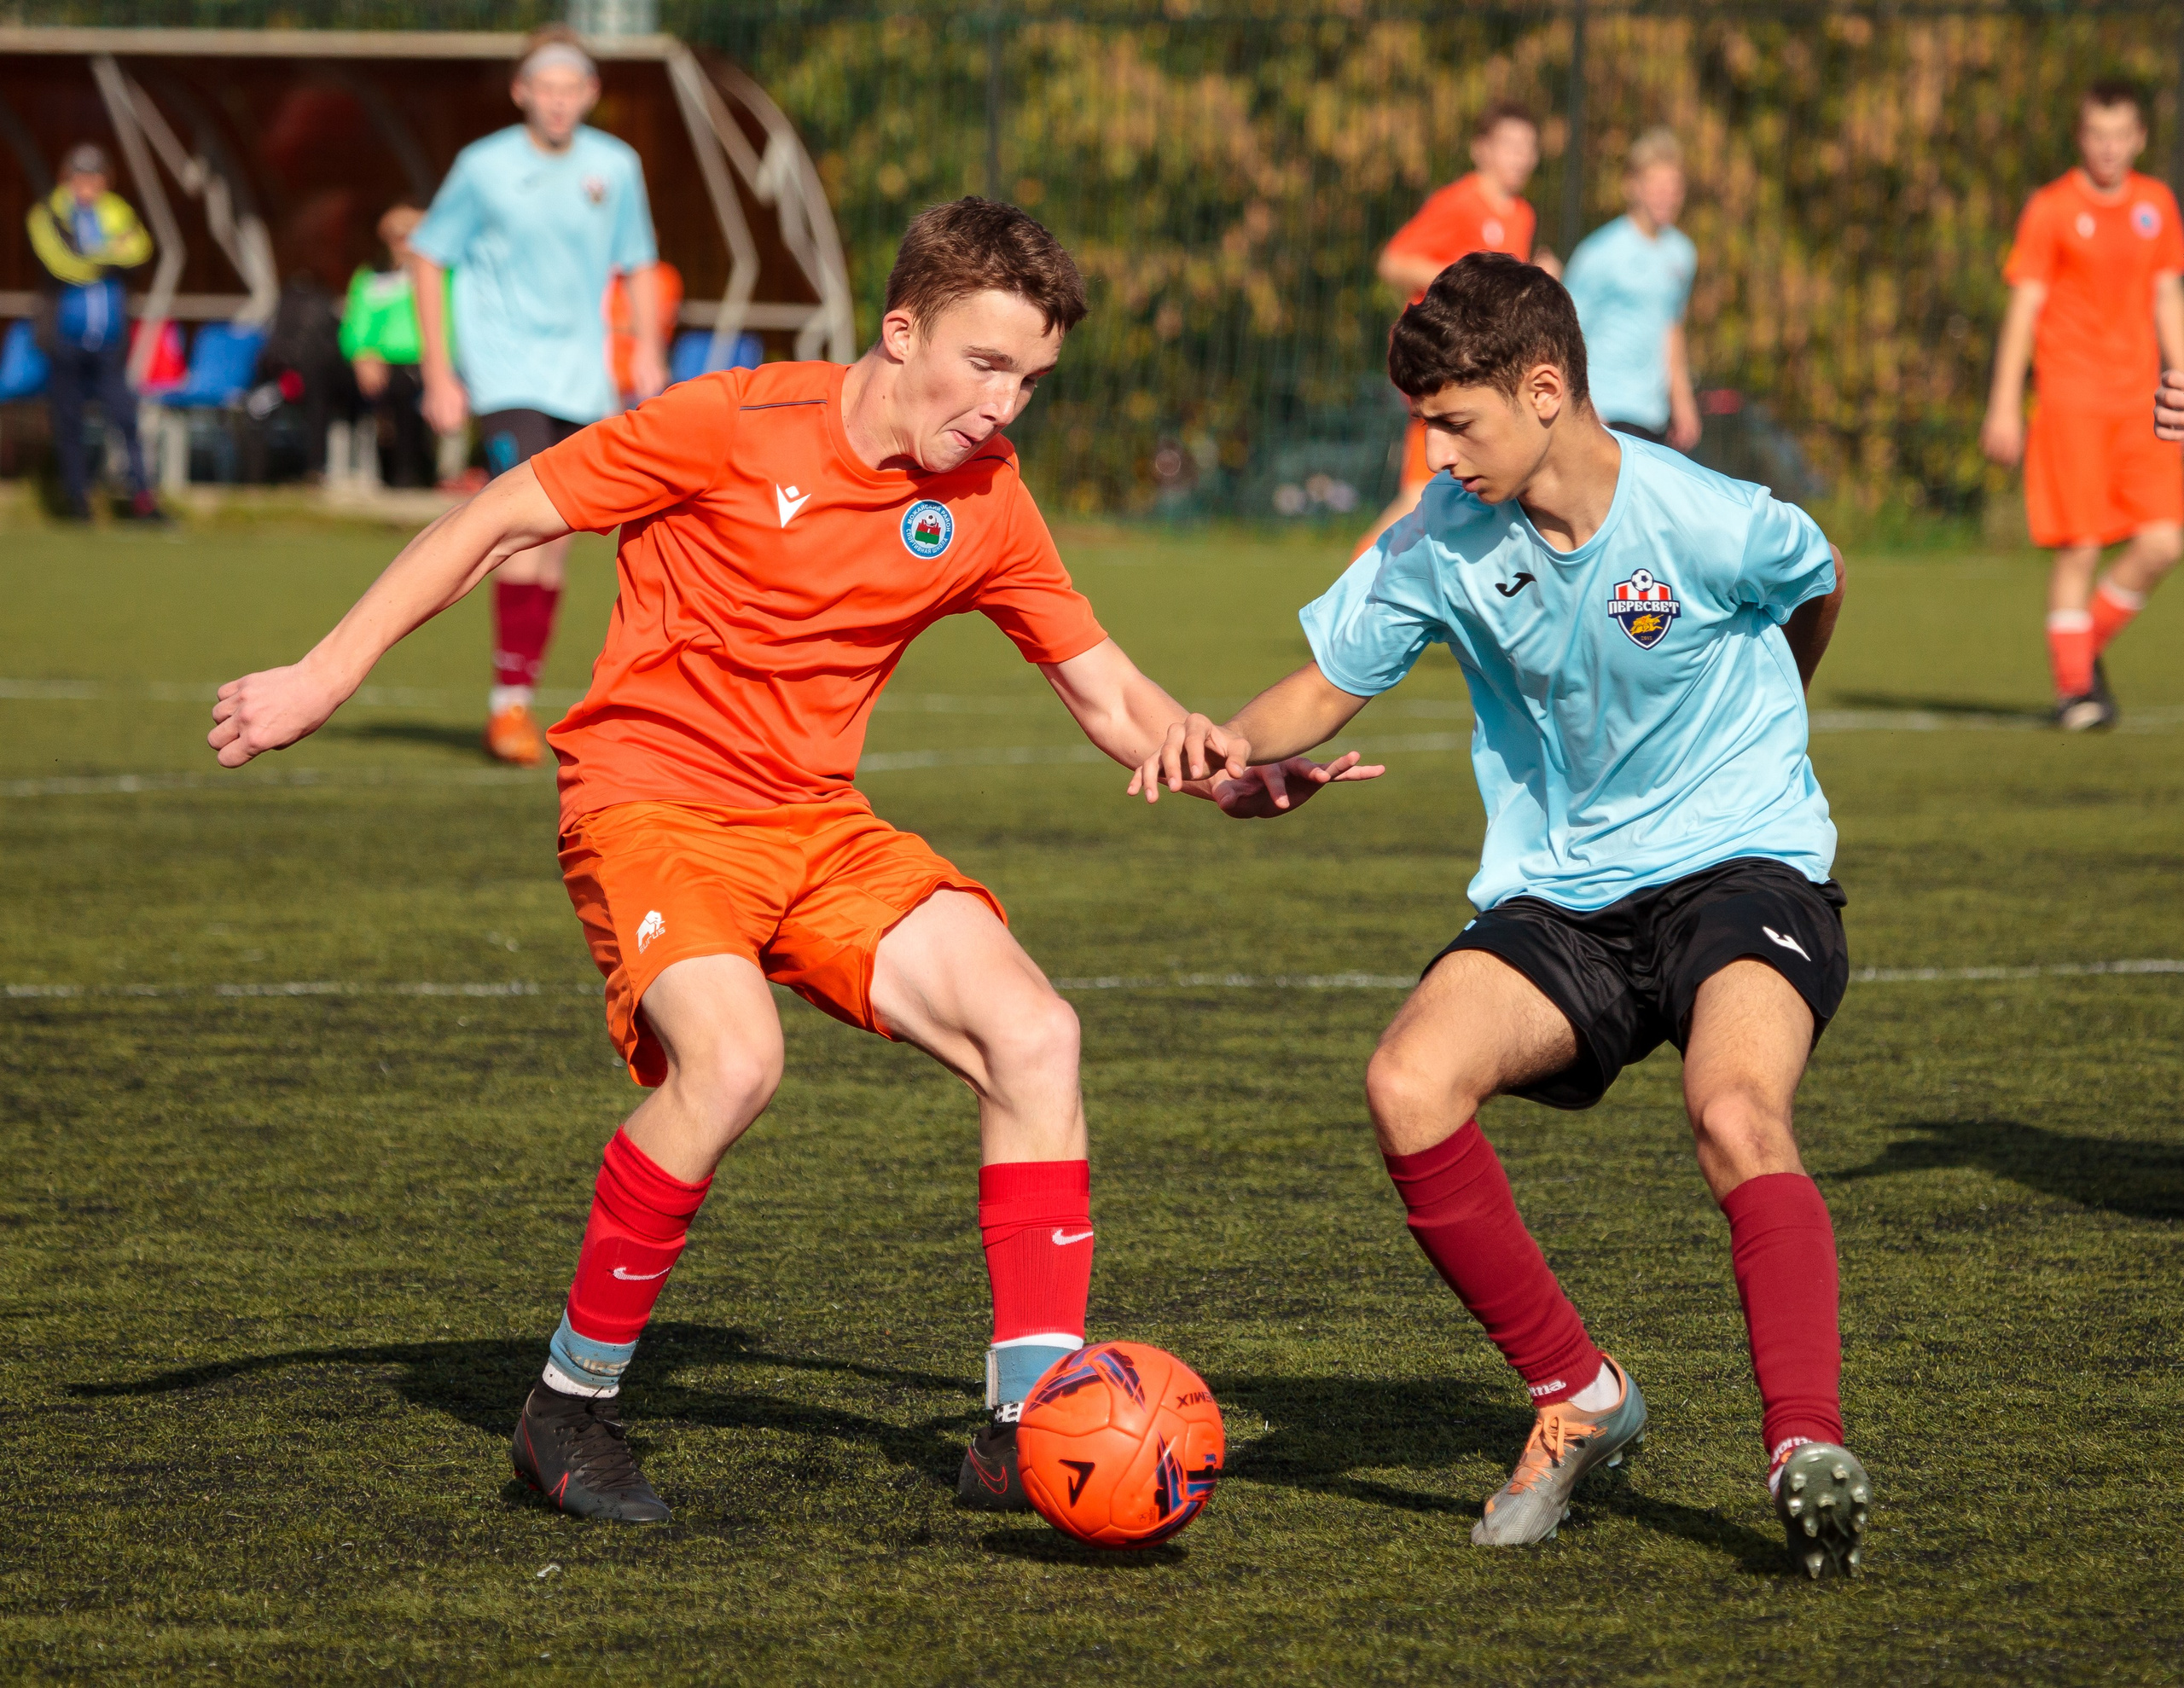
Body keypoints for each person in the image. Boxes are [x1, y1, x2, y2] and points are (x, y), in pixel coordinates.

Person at [208, 198, 1241, 1527]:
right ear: (902, 328)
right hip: (652, 805)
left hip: (811, 820)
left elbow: (1110, 696)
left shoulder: (986, 496)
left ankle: (1022, 1425)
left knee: (1035, 1031)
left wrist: (1223, 765)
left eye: (1032, 381)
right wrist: (321, 674)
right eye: (986, 367)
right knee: (737, 1058)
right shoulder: (731, 422)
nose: (1006, 407)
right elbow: (495, 519)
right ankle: (567, 1405)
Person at [1139, 253, 1869, 1579]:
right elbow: (1321, 686)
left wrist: (1767, 730)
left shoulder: (1701, 515)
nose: (1439, 449)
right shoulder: (1439, 533)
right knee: (1409, 1080)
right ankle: (1578, 1392)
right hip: (1564, 895)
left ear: (1546, 391)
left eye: (1457, 420)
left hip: (1744, 865)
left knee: (1735, 1110)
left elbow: (1811, 576)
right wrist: (1228, 749)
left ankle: (1802, 1443)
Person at [409, 24, 670, 768]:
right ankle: (509, 706)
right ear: (523, 92)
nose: (558, 103)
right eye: (544, 89)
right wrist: (439, 371)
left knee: (555, 540)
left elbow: (639, 261)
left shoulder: (614, 167)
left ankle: (514, 695)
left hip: (581, 377)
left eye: (571, 90)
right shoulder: (483, 167)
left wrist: (647, 346)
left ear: (589, 95)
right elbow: (430, 257)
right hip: (505, 373)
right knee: (526, 525)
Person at [1980, 80, 2184, 732]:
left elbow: (2166, 297)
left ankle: (2081, 645)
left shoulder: (2156, 204)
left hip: (2143, 405)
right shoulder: (2050, 209)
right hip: (2070, 402)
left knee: (2163, 541)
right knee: (2081, 546)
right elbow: (2025, 309)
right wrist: (2005, 404)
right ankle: (2075, 692)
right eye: (2098, 134)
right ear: (2081, 137)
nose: (2109, 147)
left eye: (2121, 134)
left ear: (2140, 138)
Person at [1356, 101, 1560, 554]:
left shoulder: (1520, 214)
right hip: (1438, 363)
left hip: (1478, 369)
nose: (1522, 157)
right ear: (1480, 150)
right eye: (1510, 145)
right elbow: (1393, 261)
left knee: (1473, 488)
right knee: (1419, 494)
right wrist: (1467, 282)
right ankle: (1358, 587)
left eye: (1529, 147)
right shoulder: (1458, 202)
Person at [26, 142, 160, 521]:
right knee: (69, 421)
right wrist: (109, 256)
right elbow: (63, 265)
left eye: (96, 176)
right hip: (65, 338)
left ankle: (143, 499)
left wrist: (91, 256)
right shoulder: (48, 213)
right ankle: (78, 502)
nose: (88, 184)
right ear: (67, 177)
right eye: (81, 176)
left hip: (110, 339)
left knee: (126, 418)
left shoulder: (116, 210)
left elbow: (140, 249)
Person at [1563, 126, 1700, 451]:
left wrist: (1682, 402)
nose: (1667, 195)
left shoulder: (1683, 253)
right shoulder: (1600, 253)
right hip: (1606, 412)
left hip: (1654, 417)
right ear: (1633, 187)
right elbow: (1565, 331)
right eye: (1657, 186)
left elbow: (1671, 327)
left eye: (1674, 187)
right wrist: (1584, 405)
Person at [341, 205, 444, 490]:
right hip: (386, 361)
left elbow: (450, 321)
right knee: (389, 400)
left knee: (416, 397)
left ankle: (418, 474)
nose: (403, 244)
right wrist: (363, 355)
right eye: (396, 237)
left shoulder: (441, 275)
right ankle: (396, 477)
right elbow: (357, 323)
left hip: (427, 359)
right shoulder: (372, 277)